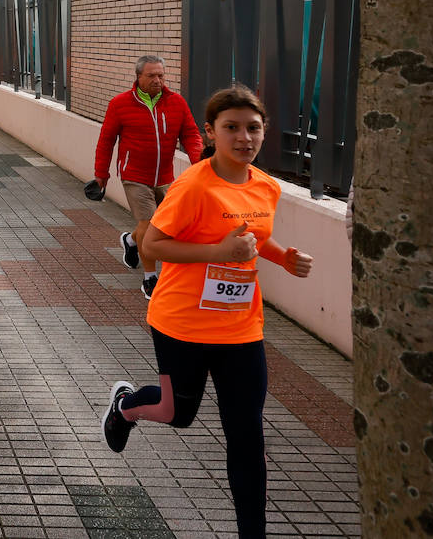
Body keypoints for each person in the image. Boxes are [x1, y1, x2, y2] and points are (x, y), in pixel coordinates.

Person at [102, 85, 313, 539]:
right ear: (211, 133)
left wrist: (283, 257)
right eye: (232, 128)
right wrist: (218, 249)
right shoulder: (194, 185)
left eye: (253, 128)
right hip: (182, 323)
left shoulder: (267, 187)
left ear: (265, 132)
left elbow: (255, 238)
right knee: (177, 413)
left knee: (247, 438)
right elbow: (151, 244)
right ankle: (124, 409)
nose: (244, 137)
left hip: (240, 328)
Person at [94, 55, 204, 299]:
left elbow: (191, 135)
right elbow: (106, 141)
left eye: (161, 75)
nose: (158, 80)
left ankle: (131, 242)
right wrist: (101, 174)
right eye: (152, 75)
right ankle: (150, 278)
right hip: (134, 175)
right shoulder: (120, 104)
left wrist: (200, 162)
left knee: (163, 225)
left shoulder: (177, 103)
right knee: (149, 222)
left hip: (164, 176)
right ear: (139, 77)